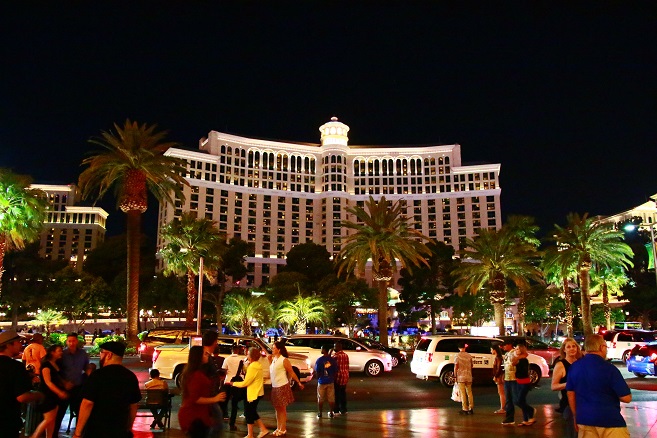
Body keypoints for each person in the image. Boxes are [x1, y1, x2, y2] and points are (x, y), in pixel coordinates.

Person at [566, 334, 632, 437]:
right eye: (606, 346)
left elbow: (570, 393)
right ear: (601, 347)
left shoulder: (574, 367)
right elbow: (626, 398)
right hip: (610, 420)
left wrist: (576, 415)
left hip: (584, 420)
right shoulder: (609, 369)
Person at [73, 341, 141, 438]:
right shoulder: (130, 377)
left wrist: (77, 433)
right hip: (120, 430)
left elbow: (87, 403)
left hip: (97, 430)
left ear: (109, 355)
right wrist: (129, 428)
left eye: (102, 352)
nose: (100, 355)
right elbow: (133, 405)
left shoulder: (97, 376)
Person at [0, 329, 44, 437]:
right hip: (6, 421)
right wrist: (40, 395)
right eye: (18, 342)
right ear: (9, 345)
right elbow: (22, 397)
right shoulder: (15, 367)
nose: (21, 345)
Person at [178, 346, 228, 438]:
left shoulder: (196, 372)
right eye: (205, 354)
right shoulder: (196, 375)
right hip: (194, 418)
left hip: (198, 416)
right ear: (198, 356)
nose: (208, 355)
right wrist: (215, 399)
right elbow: (195, 398)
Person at [227, 347, 270, 438]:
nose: (246, 356)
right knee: (252, 412)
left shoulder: (253, 367)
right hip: (257, 392)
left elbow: (245, 383)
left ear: (251, 356)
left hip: (253, 393)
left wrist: (233, 383)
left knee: (249, 413)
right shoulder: (256, 365)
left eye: (247, 354)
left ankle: (250, 434)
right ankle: (263, 429)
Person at [55, 333, 89, 437]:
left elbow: (86, 367)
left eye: (73, 341)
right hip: (65, 387)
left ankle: (78, 434)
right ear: (66, 342)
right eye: (69, 341)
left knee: (80, 412)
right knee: (60, 412)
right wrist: (63, 383)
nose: (71, 343)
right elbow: (56, 371)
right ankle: (54, 433)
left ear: (77, 341)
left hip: (78, 387)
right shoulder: (62, 354)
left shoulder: (82, 354)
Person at [31, 345, 68, 438]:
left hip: (54, 395)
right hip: (47, 394)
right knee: (49, 419)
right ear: (52, 352)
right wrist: (59, 392)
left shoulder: (56, 363)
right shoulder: (46, 365)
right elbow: (48, 382)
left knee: (52, 419)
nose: (61, 352)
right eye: (59, 351)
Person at [269, 340, 305, 436]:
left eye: (274, 348)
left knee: (282, 409)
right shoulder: (274, 359)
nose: (272, 350)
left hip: (282, 386)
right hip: (275, 386)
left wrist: (298, 382)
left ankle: (283, 428)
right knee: (277, 408)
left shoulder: (284, 360)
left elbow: (291, 372)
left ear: (279, 350)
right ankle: (278, 427)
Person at [551, 337, 583, 438]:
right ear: (564, 350)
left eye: (574, 346)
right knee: (572, 432)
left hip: (583, 403)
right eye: (568, 347)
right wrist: (569, 384)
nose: (572, 349)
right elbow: (554, 386)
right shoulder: (560, 365)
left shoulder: (581, 363)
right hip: (568, 404)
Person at [223, 344, 246, 431]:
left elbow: (224, 371)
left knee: (225, 402)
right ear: (238, 350)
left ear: (231, 350)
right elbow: (244, 371)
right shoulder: (241, 360)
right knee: (234, 404)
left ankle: (223, 416)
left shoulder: (227, 359)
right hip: (236, 384)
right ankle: (232, 424)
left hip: (228, 382)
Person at [513, 343, 536, 426]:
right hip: (519, 382)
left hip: (524, 382)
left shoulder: (523, 360)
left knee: (519, 401)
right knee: (522, 401)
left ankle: (531, 410)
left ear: (521, 350)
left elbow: (523, 372)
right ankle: (526, 419)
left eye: (518, 349)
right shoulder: (518, 359)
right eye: (516, 349)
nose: (516, 350)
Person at [314, 344, 337, 418]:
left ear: (324, 350)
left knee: (320, 398)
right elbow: (335, 371)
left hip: (322, 381)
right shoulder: (332, 360)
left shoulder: (319, 360)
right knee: (331, 398)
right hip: (330, 381)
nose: (321, 350)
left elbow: (317, 371)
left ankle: (320, 413)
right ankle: (331, 412)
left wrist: (318, 378)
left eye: (321, 349)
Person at [454, 341, 474, 415]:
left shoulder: (457, 356)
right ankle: (471, 408)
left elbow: (456, 367)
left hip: (461, 377)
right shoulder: (469, 355)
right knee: (469, 392)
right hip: (468, 376)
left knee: (463, 393)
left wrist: (455, 376)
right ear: (464, 347)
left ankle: (464, 408)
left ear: (459, 348)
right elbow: (472, 365)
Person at [501, 340, 518, 426]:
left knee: (516, 399)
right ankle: (509, 418)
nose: (503, 347)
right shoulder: (507, 354)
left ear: (510, 345)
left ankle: (529, 411)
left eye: (505, 345)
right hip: (508, 378)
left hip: (514, 379)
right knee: (509, 399)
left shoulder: (514, 353)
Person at [333, 341, 349, 416]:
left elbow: (327, 364)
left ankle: (336, 409)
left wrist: (329, 353)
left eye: (335, 346)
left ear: (338, 347)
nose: (334, 348)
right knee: (343, 394)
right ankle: (344, 409)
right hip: (345, 376)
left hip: (338, 377)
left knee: (337, 394)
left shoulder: (335, 356)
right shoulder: (346, 355)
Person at [491, 344, 505, 414]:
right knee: (502, 393)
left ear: (495, 350)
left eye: (491, 349)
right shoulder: (499, 357)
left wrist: (495, 376)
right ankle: (504, 407)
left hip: (500, 377)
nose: (491, 351)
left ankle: (503, 408)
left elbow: (499, 368)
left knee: (501, 393)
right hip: (500, 376)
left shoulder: (498, 358)